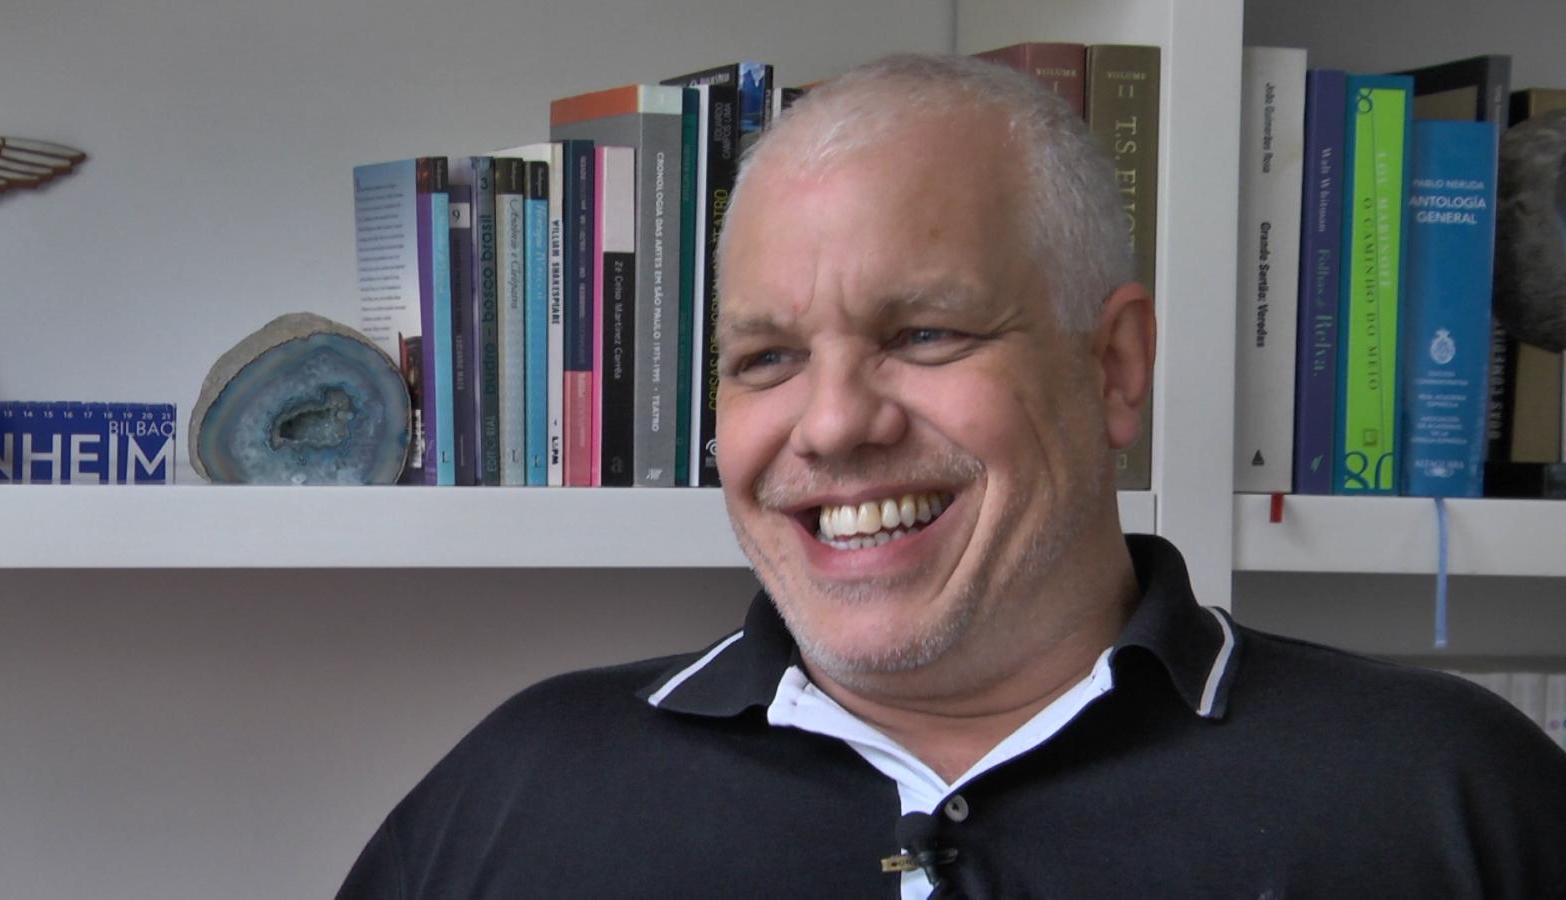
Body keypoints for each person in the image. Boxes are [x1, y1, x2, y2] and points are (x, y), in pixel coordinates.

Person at [339, 53, 1566, 898]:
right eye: (765, 358)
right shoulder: (518, 797)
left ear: (1114, 368)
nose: (831, 425)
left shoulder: (1451, 800)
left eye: (924, 333)